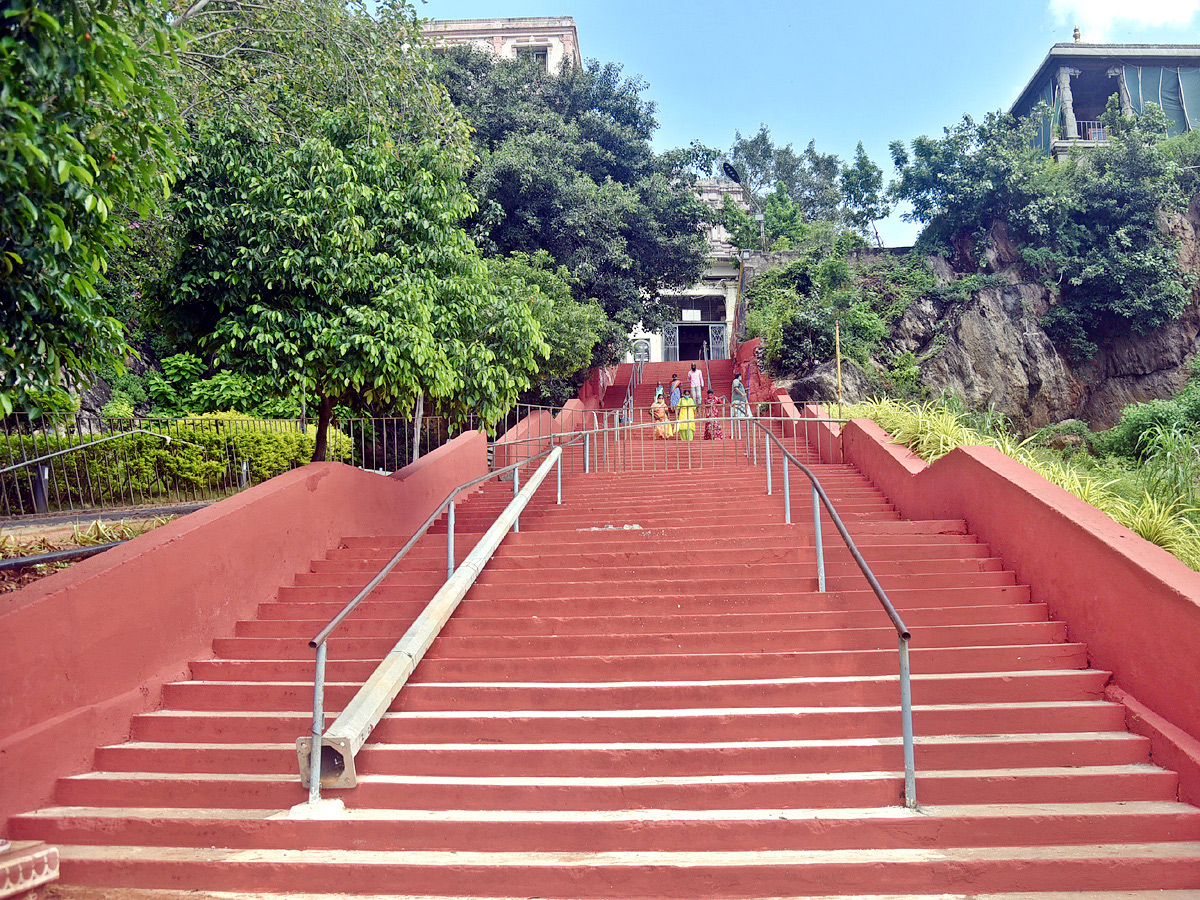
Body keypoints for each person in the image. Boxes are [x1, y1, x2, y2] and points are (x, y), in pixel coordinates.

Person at [731, 370, 750, 438]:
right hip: (738, 399)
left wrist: (745, 390)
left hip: (740, 399)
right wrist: (742, 393)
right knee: (740, 409)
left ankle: (742, 416)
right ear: (739, 376)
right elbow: (735, 388)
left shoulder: (739, 382)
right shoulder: (736, 381)